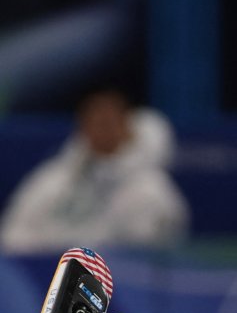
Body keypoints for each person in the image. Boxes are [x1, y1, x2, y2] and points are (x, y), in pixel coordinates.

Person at [0, 87, 189, 254]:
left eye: (108, 121)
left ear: (126, 126)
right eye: (94, 120)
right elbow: (13, 232)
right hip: (48, 281)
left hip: (117, 286)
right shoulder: (55, 178)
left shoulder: (149, 189)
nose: (101, 128)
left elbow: (149, 252)